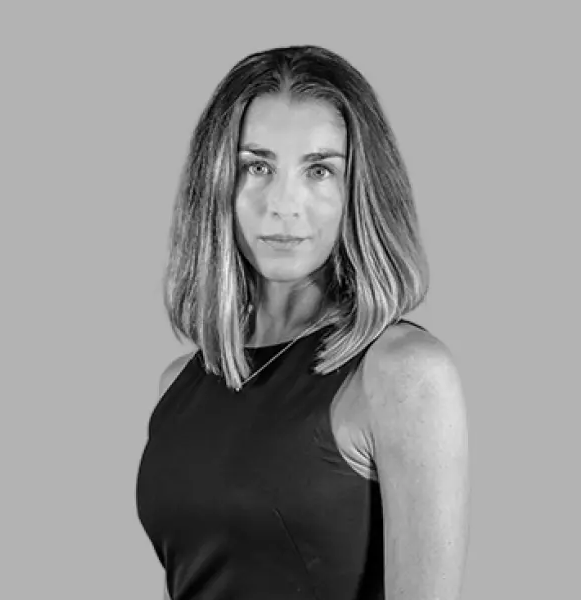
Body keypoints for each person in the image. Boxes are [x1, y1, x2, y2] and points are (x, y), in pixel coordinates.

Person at [136, 44, 470, 600]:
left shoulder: (402, 373)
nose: (283, 204)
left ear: (358, 190)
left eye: (319, 170)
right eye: (257, 167)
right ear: (216, 182)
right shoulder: (180, 384)